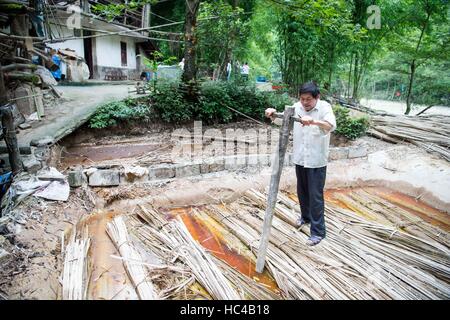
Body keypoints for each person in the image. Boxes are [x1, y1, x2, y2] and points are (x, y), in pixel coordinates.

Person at [265, 81, 336, 246]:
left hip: (316, 161)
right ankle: (305, 217)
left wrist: (313, 121)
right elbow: (285, 119)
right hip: (300, 158)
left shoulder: (325, 108)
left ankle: (318, 232)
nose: (305, 102)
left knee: (315, 196)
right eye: (302, 99)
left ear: (317, 97)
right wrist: (273, 114)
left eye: (308, 99)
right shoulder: (297, 107)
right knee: (302, 191)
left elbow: (330, 125)